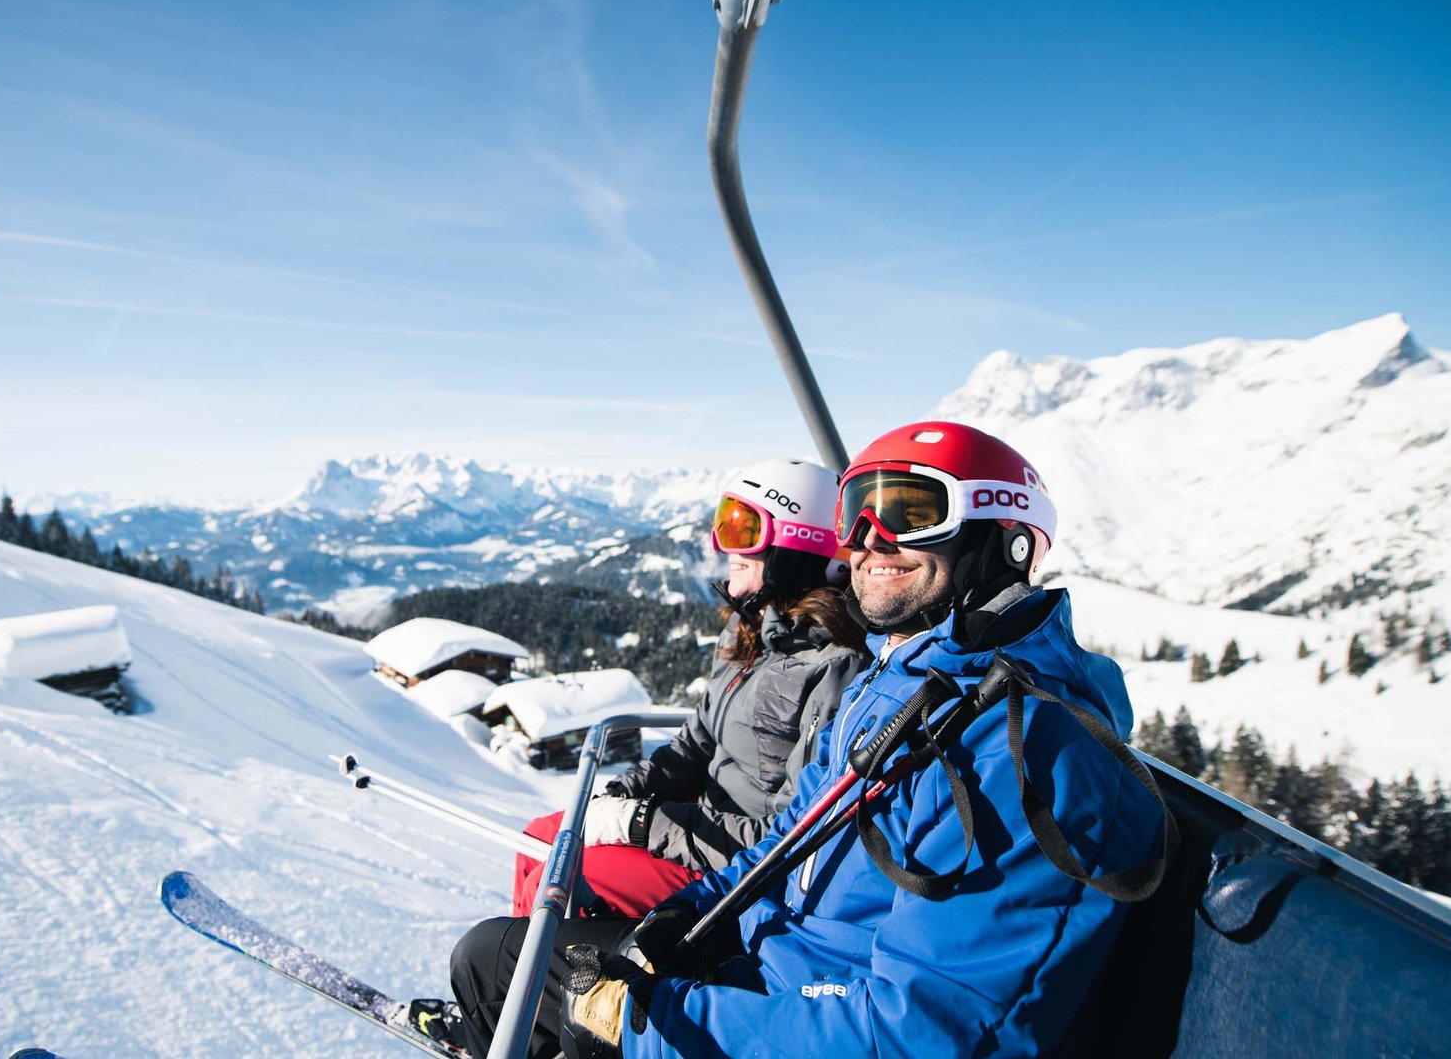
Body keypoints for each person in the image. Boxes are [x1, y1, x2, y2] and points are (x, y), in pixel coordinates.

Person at [434, 421, 1172, 1058]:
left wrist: (642, 1027)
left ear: (1006, 539)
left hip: (818, 1011)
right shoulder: (898, 686)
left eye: (911, 511)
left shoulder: (1029, 751)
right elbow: (788, 835)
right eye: (858, 512)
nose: (870, 538)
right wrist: (689, 915)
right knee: (497, 957)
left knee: (507, 971)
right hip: (770, 967)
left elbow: (929, 1033)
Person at [509, 458, 870, 918]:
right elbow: (696, 743)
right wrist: (626, 794)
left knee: (555, 881)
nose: (723, 546)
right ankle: (508, 981)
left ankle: (547, 982)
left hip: (735, 869)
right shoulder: (751, 632)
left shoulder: (836, 668)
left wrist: (644, 823)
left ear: (798, 549)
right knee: (540, 839)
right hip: (695, 830)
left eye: (744, 530)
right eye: (723, 522)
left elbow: (792, 831)